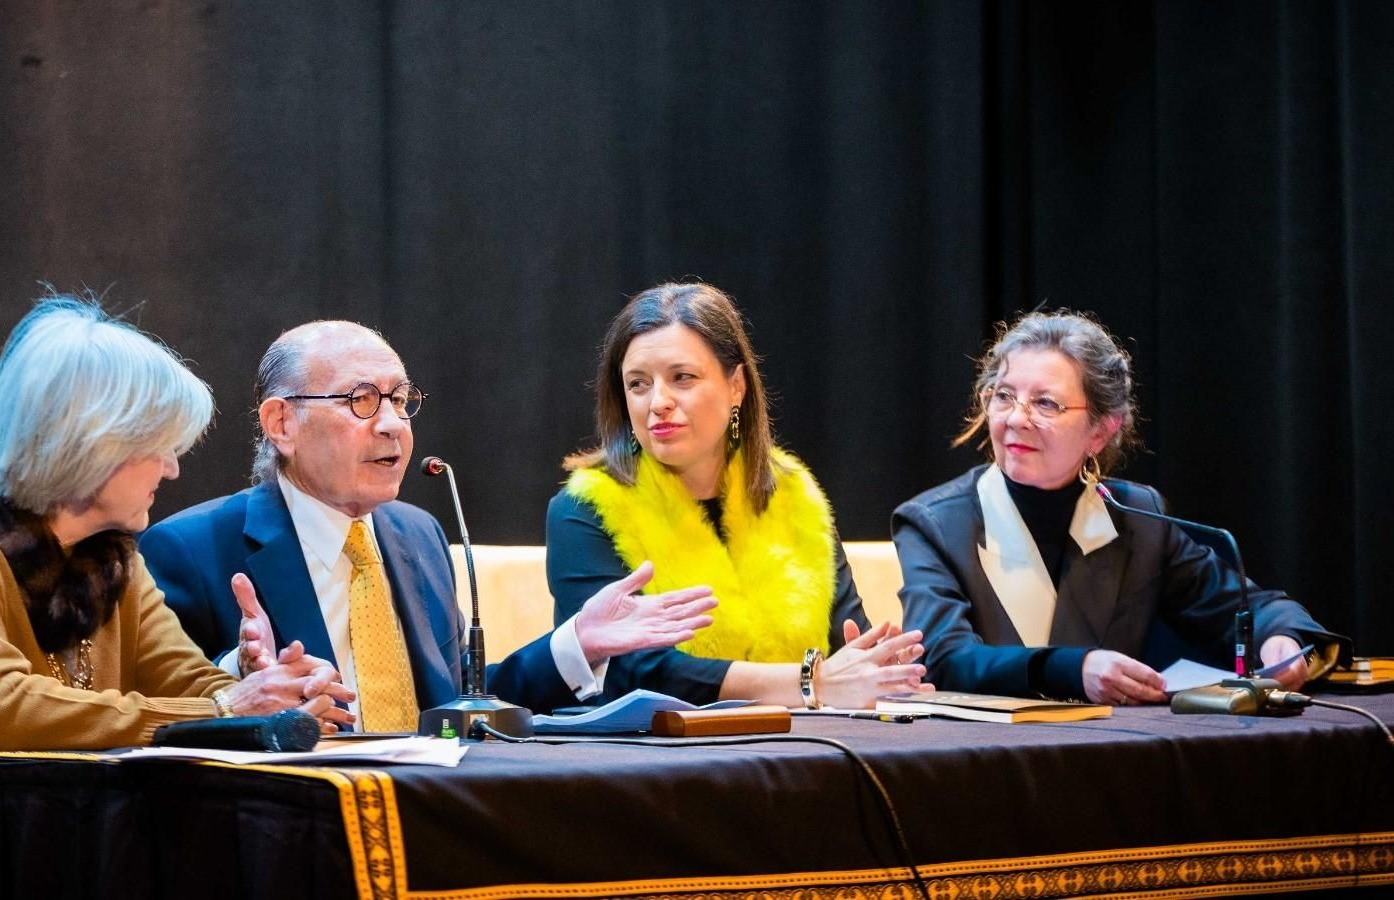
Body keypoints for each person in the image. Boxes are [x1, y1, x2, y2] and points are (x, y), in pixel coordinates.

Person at [0, 297, 350, 900]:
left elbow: (186, 683)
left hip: (70, 858)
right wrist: (228, 709)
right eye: (159, 445)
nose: (172, 468)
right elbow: (1, 714)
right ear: (92, 443)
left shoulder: (115, 560)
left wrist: (268, 689)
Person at [140, 321, 718, 729]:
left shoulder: (417, 534)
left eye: (400, 399)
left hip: (431, 808)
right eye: (361, 401)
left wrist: (577, 642)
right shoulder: (190, 550)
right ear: (281, 423)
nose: (392, 424)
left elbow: (458, 704)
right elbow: (167, 721)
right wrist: (238, 676)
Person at [892, 310, 1344, 705]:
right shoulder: (935, 523)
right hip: (989, 756)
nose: (1015, 418)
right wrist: (1073, 669)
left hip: (1113, 755)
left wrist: (1282, 638)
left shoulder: (1137, 517)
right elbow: (944, 658)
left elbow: (1248, 608)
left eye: (1045, 403)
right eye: (1004, 396)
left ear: (1101, 431)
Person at [546, 282, 929, 709]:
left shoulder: (794, 495)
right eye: (638, 384)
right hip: (651, 747)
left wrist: (879, 669)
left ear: (736, 386)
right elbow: (626, 670)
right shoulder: (584, 508)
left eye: (682, 378)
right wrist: (811, 682)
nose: (658, 402)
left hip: (802, 742)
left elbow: (845, 642)